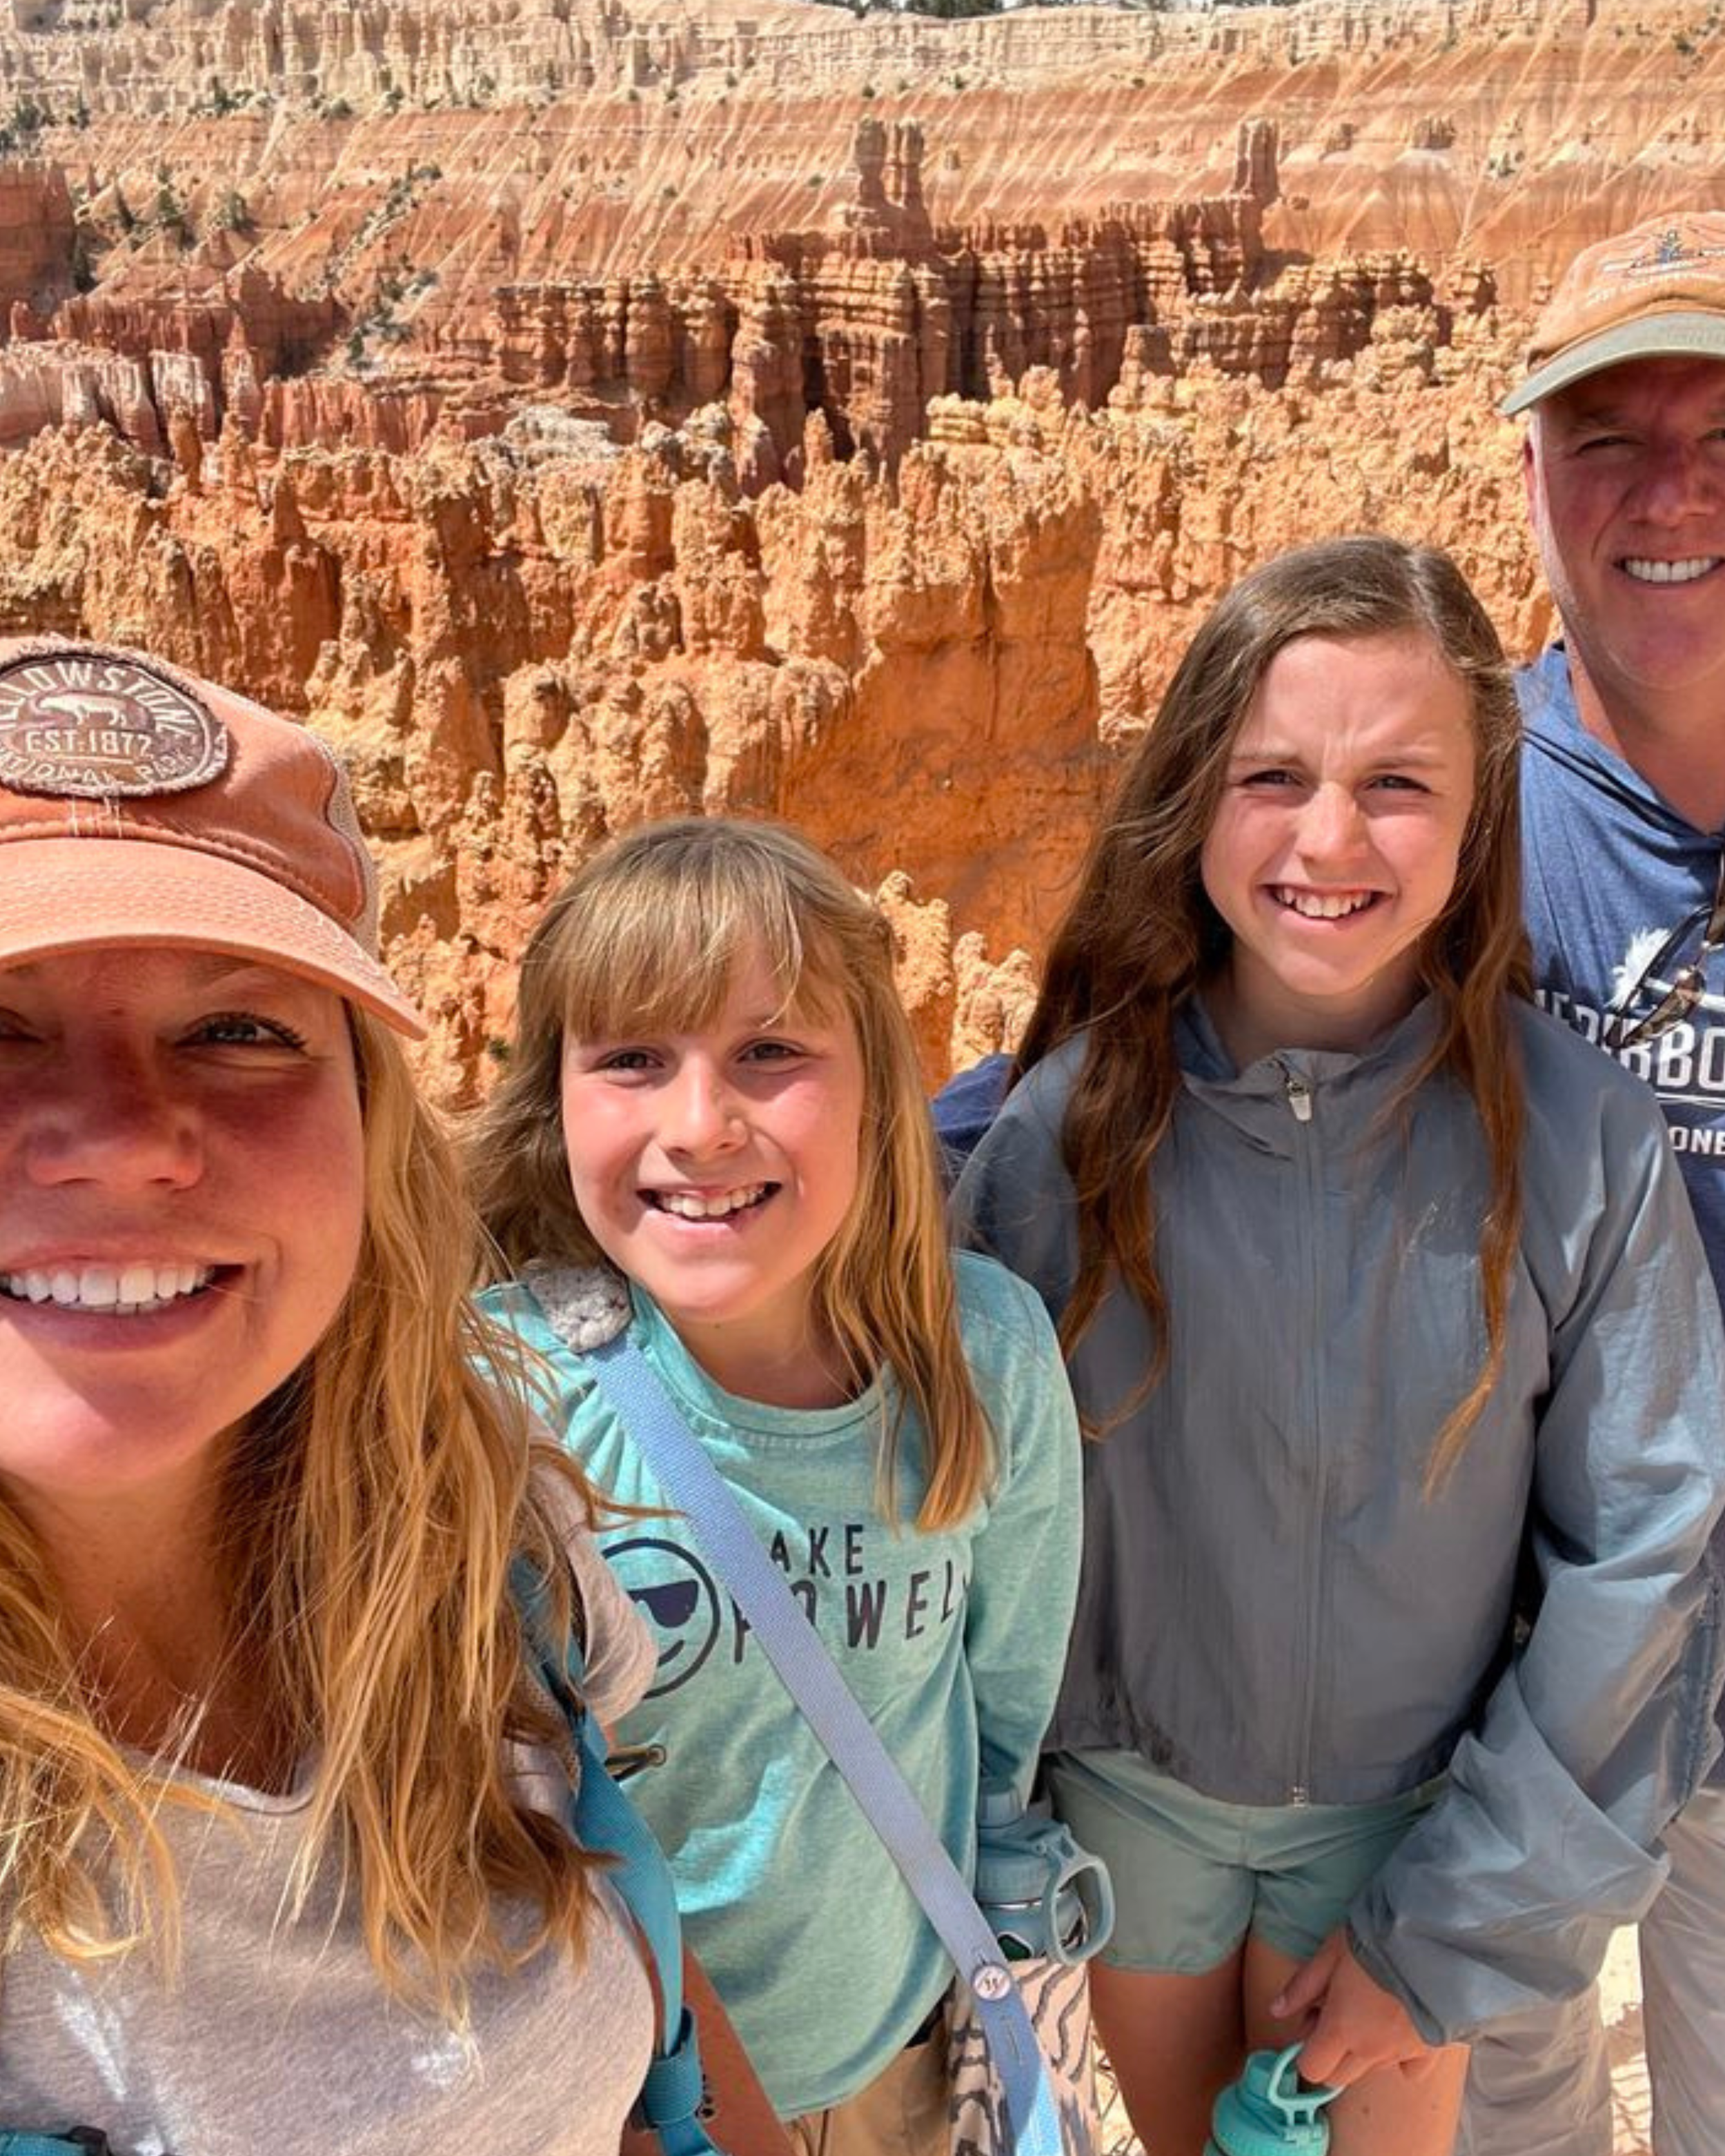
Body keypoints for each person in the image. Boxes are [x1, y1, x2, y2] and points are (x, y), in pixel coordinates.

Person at [947, 537, 1725, 2156]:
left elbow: (1642, 1545)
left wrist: (1446, 1926)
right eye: (1271, 775)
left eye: (1394, 783)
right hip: (1132, 1818)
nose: (1325, 836)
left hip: (1405, 1835)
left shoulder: (1567, 1139)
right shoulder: (1069, 1129)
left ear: (1476, 817)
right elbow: (971, 1498)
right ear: (1191, 795)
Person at [0, 637, 772, 2155]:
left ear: (369, 1127)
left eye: (237, 1029)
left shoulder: (481, 1531)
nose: (120, 1135)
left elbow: (640, 2004)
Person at [470, 816, 1083, 2156]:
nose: (700, 1125)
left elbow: (1000, 1705)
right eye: (631, 1057)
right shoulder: (500, 1407)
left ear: (872, 1080)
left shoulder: (977, 1359)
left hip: (897, 2070)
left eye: (769, 1051)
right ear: (552, 1097)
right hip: (628, 2097)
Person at [1461, 208, 1725, 2156]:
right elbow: (1122, 1061)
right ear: (1525, 471)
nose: (1667, 493)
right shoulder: (1432, 804)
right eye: (1606, 435)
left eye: (1719, 433)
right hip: (1501, 1672)